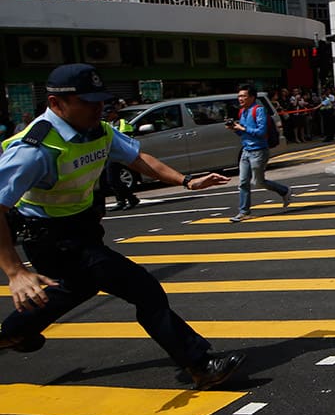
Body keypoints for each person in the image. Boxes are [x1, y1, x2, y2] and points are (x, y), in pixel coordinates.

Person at [0, 64, 245, 388]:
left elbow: (138, 159)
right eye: (88, 102)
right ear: (57, 104)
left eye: (101, 100)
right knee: (144, 290)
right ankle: (200, 364)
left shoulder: (98, 130)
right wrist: (15, 272)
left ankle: (14, 331)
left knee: (77, 287)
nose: (99, 108)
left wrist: (185, 181)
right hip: (52, 238)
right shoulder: (35, 149)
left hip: (82, 229)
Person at [227, 85, 292, 222]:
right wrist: (235, 129)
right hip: (246, 151)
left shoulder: (259, 110)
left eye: (243, 96)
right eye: (239, 96)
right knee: (243, 182)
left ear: (252, 97)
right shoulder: (242, 112)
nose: (240, 99)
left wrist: (242, 128)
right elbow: (243, 133)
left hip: (259, 151)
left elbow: (261, 132)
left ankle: (284, 190)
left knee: (258, 182)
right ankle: (244, 211)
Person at [101, 103, 140, 211]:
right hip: (109, 154)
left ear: (114, 113)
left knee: (112, 179)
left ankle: (130, 198)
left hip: (119, 154)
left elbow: (124, 137)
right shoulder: (106, 123)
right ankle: (122, 200)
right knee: (112, 179)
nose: (105, 116)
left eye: (108, 113)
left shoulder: (122, 122)